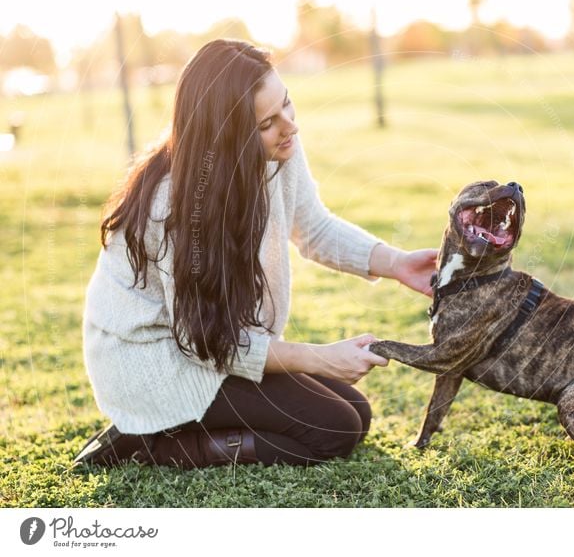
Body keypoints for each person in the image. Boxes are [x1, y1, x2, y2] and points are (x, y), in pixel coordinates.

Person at [73, 39, 437, 469]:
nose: (290, 127)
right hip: (153, 362)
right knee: (334, 428)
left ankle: (173, 429)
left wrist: (396, 264)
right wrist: (321, 356)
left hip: (208, 346)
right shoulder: (174, 203)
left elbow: (313, 226)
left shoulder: (278, 151)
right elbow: (204, 342)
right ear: (226, 138)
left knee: (356, 413)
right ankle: (153, 443)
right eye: (267, 122)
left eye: (287, 105)